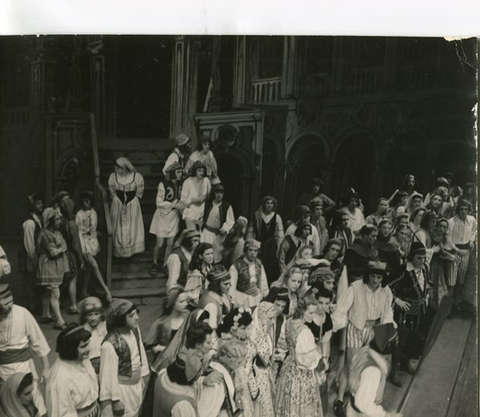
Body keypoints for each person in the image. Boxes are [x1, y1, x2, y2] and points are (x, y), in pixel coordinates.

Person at [331, 262, 395, 414]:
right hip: (356, 329)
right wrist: (332, 325)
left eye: (378, 277)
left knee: (370, 366)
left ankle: (362, 398)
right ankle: (339, 399)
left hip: (375, 331)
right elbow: (341, 309)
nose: (375, 280)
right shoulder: (355, 287)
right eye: (372, 276)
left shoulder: (386, 291)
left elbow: (387, 312)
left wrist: (388, 328)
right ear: (368, 275)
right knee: (351, 365)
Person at [0, 284, 49, 417]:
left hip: (25, 367)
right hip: (2, 371)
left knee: (34, 399)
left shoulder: (22, 313)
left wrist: (46, 367)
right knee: (8, 404)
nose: (10, 306)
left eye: (11, 301)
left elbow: (38, 341)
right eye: (5, 304)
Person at [153, 328, 225, 417]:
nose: (202, 371)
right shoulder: (183, 406)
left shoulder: (163, 374)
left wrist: (203, 380)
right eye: (199, 370)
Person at [387, 242, 433, 379]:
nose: (422, 261)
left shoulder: (424, 268)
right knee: (401, 340)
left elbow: (424, 285)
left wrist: (426, 295)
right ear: (412, 256)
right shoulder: (403, 270)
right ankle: (394, 370)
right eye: (419, 258)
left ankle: (405, 362)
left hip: (419, 310)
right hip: (404, 313)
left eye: (424, 258)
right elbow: (386, 286)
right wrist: (396, 300)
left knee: (413, 338)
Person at [99, 299, 149, 417]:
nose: (137, 317)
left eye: (136, 313)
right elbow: (107, 376)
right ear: (121, 320)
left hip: (136, 387)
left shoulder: (135, 331)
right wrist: (115, 400)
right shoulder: (110, 344)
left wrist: (143, 376)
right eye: (131, 316)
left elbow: (141, 353)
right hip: (122, 391)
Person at [275, 295, 323, 417]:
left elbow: (282, 345)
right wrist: (318, 354)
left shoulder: (289, 322)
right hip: (301, 374)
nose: (313, 316)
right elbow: (307, 361)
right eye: (311, 312)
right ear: (302, 311)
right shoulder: (305, 331)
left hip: (288, 368)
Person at [346, 325, 402, 417]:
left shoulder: (365, 351)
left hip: (354, 407)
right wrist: (386, 415)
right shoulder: (373, 371)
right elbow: (363, 404)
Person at [46, 324, 99, 417]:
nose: (89, 349)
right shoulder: (59, 379)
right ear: (71, 349)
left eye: (88, 344)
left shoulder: (81, 358)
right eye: (83, 346)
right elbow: (61, 413)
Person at [216, 308, 258, 416]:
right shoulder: (228, 345)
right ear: (232, 328)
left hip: (242, 378)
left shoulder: (238, 341)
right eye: (243, 328)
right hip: (233, 380)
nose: (246, 331)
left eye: (247, 328)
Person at [247, 301, 285, 417]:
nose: (272, 322)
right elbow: (249, 362)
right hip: (256, 379)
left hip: (265, 377)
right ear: (261, 316)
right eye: (270, 318)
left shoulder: (266, 333)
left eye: (274, 319)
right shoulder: (253, 334)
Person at [75, 192, 112, 303]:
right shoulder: (79, 215)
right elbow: (79, 233)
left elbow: (93, 230)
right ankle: (106, 290)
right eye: (85, 201)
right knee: (94, 265)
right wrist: (82, 247)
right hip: (84, 242)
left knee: (89, 269)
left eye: (89, 201)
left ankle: (84, 291)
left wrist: (93, 238)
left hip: (92, 241)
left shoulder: (94, 213)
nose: (87, 203)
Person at [37, 207, 69, 329]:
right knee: (55, 292)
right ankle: (59, 321)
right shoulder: (44, 234)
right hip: (47, 265)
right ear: (50, 221)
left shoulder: (57, 233)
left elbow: (64, 246)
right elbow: (52, 253)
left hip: (55, 265)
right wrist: (60, 250)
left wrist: (59, 249)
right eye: (56, 219)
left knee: (47, 291)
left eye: (59, 219)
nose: (59, 221)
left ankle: (46, 314)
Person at [150, 162, 184, 275]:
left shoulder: (180, 185)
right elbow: (158, 203)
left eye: (181, 172)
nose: (181, 174)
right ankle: (154, 262)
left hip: (174, 217)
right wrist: (174, 205)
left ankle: (165, 264)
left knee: (170, 242)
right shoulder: (163, 184)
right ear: (173, 173)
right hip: (162, 216)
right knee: (160, 243)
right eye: (178, 172)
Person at [108, 157, 145, 258]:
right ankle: (119, 251)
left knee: (132, 227)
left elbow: (139, 193)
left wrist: (131, 201)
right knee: (118, 227)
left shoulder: (136, 177)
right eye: (115, 168)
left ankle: (132, 250)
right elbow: (112, 191)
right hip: (118, 205)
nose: (116, 170)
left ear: (125, 168)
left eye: (119, 168)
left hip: (132, 205)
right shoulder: (113, 177)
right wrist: (118, 200)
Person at [306, 288, 334, 416]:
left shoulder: (327, 318)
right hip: (308, 353)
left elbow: (326, 341)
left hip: (321, 353)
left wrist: (325, 358)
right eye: (320, 302)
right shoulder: (309, 317)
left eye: (327, 303)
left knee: (322, 382)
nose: (323, 307)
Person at [448, 199, 477, 317]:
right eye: (461, 209)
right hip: (454, 251)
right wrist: (456, 250)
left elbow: (474, 231)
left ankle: (457, 303)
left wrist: (471, 241)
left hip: (466, 251)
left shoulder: (472, 220)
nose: (464, 212)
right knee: (452, 279)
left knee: (461, 279)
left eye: (466, 209)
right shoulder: (451, 222)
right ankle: (448, 306)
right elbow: (448, 239)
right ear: (458, 209)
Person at [247, 196, 285, 284]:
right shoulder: (257, 215)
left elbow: (280, 234)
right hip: (259, 244)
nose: (269, 205)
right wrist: (250, 244)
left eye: (271, 203)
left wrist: (279, 248)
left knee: (270, 268)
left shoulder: (276, 217)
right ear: (264, 204)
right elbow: (251, 231)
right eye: (267, 203)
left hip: (271, 246)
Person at [144, 287, 190, 358]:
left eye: (186, 301)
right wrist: (163, 349)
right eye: (181, 301)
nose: (186, 304)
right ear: (173, 304)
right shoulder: (161, 323)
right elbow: (150, 345)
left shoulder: (187, 315)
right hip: (167, 360)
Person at [198, 265, 234, 352]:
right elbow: (211, 334)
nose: (230, 286)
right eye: (225, 284)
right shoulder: (211, 305)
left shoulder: (221, 293)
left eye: (229, 283)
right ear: (216, 284)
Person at [19, 193, 44, 314]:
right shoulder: (30, 222)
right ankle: (31, 305)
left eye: (41, 203)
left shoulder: (39, 218)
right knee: (30, 279)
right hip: (31, 255)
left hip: (37, 254)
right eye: (38, 203)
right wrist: (32, 256)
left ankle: (35, 302)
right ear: (32, 205)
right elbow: (29, 242)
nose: (41, 205)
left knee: (35, 279)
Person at [60, 197, 85, 314]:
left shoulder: (59, 222)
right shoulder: (72, 225)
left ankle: (59, 302)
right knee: (73, 279)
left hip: (60, 253)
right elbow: (76, 245)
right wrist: (80, 259)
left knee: (60, 280)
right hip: (69, 254)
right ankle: (73, 305)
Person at [229, 239, 269, 309]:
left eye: (255, 250)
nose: (253, 253)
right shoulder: (237, 265)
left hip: (256, 299)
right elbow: (231, 285)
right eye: (250, 250)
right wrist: (233, 301)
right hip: (241, 299)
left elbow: (263, 281)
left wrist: (264, 295)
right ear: (246, 250)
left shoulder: (259, 264)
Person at [201, 183, 234, 263]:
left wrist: (225, 227)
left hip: (218, 235)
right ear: (214, 193)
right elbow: (201, 215)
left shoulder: (226, 206)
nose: (219, 195)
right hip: (207, 233)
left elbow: (230, 220)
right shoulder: (207, 204)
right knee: (205, 252)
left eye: (221, 193)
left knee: (217, 255)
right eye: (217, 193)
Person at [78, 297, 107, 375]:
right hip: (88, 365)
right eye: (90, 315)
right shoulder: (82, 331)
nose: (93, 318)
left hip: (105, 364)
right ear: (84, 316)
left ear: (101, 314)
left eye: (97, 314)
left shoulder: (105, 328)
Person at [180, 161, 212, 231]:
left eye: (203, 171)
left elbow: (208, 196)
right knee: (193, 235)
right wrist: (196, 200)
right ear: (195, 171)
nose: (201, 173)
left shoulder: (206, 181)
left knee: (201, 236)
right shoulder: (188, 182)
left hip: (202, 214)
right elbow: (183, 201)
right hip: (190, 213)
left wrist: (198, 199)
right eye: (199, 170)